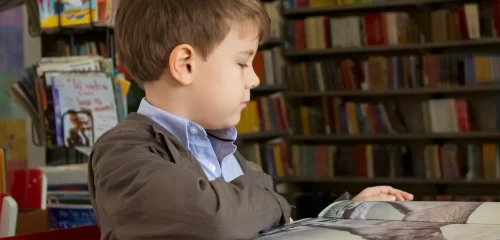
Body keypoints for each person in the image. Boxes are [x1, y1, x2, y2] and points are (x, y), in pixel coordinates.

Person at [87, 0, 414, 239]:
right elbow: (217, 219)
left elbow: (260, 222)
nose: (255, 79)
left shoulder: (221, 148)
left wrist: (339, 214)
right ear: (185, 65)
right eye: (243, 63)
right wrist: (272, 200)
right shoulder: (121, 153)